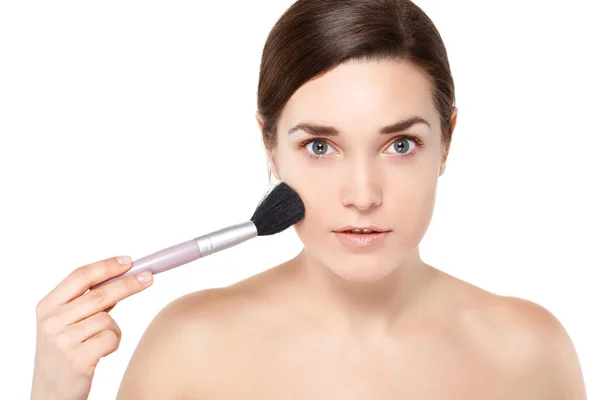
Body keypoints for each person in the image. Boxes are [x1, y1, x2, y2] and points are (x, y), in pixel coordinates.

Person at [31, 0, 588, 398]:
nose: (363, 195)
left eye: (400, 144)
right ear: (270, 148)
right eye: (321, 146)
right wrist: (54, 392)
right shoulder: (189, 347)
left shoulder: (529, 351)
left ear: (447, 143)